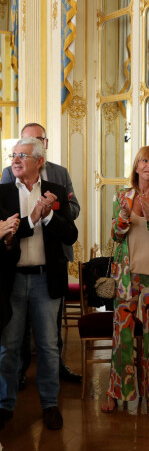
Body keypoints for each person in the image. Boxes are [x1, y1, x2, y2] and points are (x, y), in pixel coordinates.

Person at [0, 137, 78, 431]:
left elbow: (70, 235)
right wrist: (32, 219)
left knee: (48, 346)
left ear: (39, 162)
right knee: (8, 347)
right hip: (13, 282)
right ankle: (4, 405)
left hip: (47, 280)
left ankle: (50, 404)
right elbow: (3, 235)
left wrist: (47, 219)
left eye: (22, 155)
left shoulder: (55, 192)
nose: (15, 160)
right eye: (13, 155)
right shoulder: (2, 193)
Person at [101, 146, 149, 415]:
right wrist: (123, 215)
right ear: (136, 166)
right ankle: (116, 391)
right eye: (144, 160)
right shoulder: (122, 195)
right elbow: (116, 235)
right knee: (121, 338)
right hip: (126, 278)